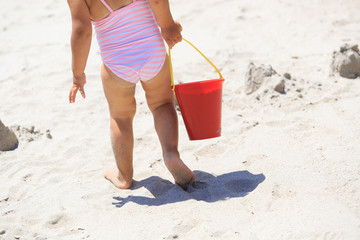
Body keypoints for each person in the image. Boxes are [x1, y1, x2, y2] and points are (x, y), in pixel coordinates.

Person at [66, 0, 196, 190]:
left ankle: (124, 175)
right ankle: (171, 154)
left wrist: (78, 74)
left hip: (116, 64)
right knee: (162, 105)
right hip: (152, 52)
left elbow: (81, 31)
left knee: (120, 118)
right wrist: (168, 26)